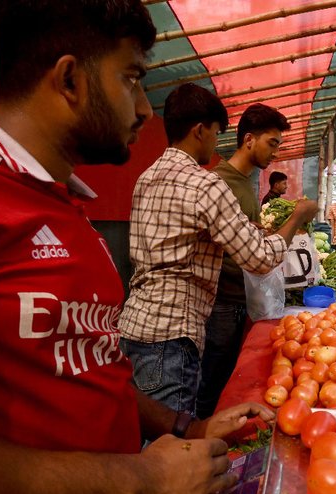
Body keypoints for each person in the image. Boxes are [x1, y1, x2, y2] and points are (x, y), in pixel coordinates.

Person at [0, 3, 278, 494]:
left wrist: (186, 427)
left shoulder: (69, 205)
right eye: (131, 78)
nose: (143, 108)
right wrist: (145, 477)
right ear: (70, 79)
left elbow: (93, 366)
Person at [119, 86, 317, 417]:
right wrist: (297, 216)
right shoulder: (206, 184)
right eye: (214, 133)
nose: (215, 144)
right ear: (199, 130)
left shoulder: (146, 178)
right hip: (172, 335)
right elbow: (260, 260)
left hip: (134, 326)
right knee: (171, 448)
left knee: (145, 434)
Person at [197, 103, 290, 418]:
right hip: (221, 301)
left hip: (241, 298)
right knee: (211, 386)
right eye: (272, 143)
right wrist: (298, 217)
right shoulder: (220, 181)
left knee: (228, 382)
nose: (274, 153)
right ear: (249, 139)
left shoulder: (247, 183)